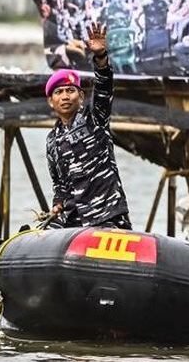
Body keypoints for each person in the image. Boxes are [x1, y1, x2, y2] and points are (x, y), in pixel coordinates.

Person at [44, 22, 131, 229]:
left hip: (107, 214)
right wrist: (58, 203)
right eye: (59, 92)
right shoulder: (52, 140)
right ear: (51, 101)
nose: (65, 96)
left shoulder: (95, 120)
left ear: (80, 96)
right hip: (75, 222)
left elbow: (103, 87)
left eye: (70, 90)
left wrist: (100, 58)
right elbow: (59, 184)